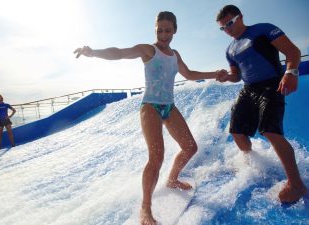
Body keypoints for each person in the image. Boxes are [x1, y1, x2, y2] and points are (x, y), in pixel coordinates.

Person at [74, 11, 227, 225]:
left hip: (169, 106)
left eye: (168, 30)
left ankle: (172, 179)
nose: (163, 35)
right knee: (156, 156)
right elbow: (119, 53)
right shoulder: (149, 50)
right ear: (155, 30)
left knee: (190, 146)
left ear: (175, 30)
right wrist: (94, 53)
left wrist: (215, 74)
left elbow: (189, 74)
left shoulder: (175, 54)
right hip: (151, 107)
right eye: (159, 30)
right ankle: (145, 208)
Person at [215, 5, 307, 203]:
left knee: (270, 131)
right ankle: (254, 164)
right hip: (249, 88)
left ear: (240, 17)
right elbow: (236, 76)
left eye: (229, 23)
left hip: (271, 83)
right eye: (223, 28)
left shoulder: (263, 29)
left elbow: (293, 51)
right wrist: (226, 77)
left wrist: (291, 73)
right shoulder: (230, 50)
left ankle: (296, 184)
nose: (227, 29)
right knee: (237, 133)